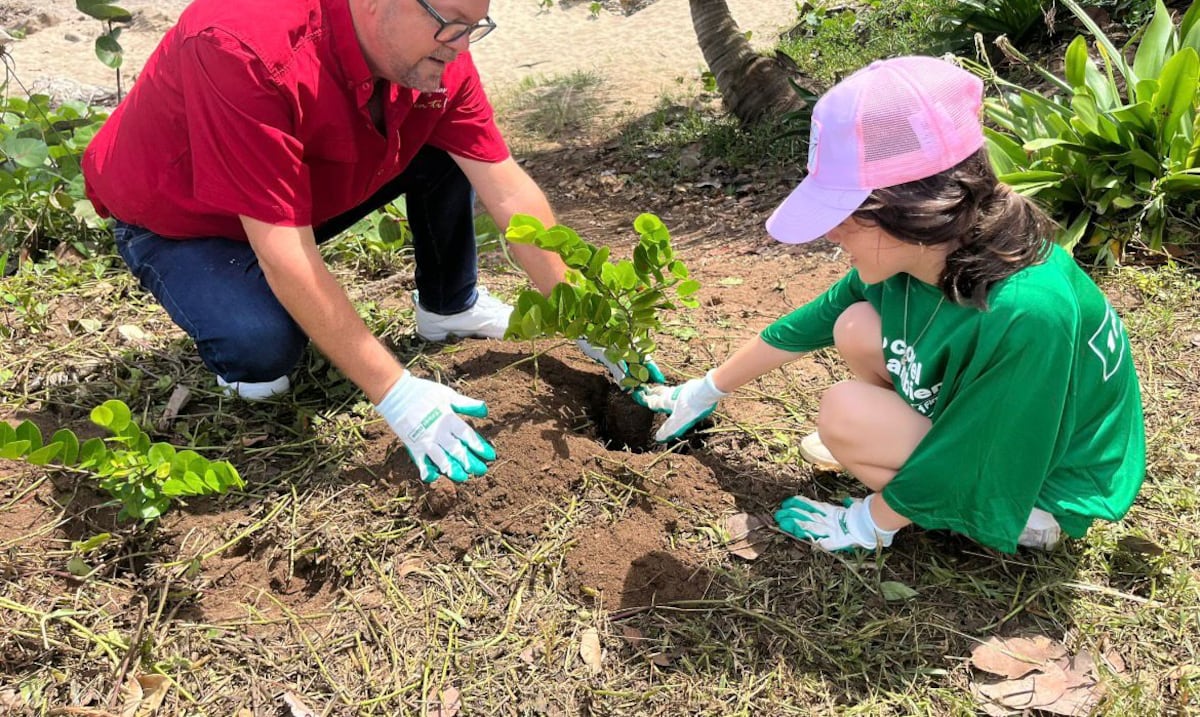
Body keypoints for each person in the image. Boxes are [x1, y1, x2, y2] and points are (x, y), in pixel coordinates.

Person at [82, 0, 646, 485]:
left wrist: (586, 317)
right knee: (263, 356)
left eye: (476, 25)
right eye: (451, 23)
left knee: (442, 136)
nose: (461, 44)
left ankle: (450, 307)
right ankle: (230, 314)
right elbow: (282, 247)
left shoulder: (431, 53)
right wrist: (394, 390)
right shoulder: (240, 43)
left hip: (298, 189)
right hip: (184, 217)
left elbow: (506, 190)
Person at [637, 56, 1145, 554]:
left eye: (847, 211)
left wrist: (867, 522)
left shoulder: (1026, 313)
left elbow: (977, 450)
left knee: (843, 413)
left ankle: (1017, 522)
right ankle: (898, 449)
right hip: (1006, 426)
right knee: (856, 325)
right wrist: (706, 389)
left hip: (1042, 479)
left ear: (915, 209)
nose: (831, 232)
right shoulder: (933, 253)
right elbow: (807, 325)